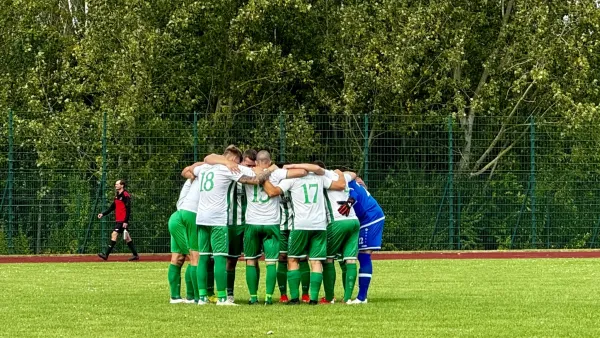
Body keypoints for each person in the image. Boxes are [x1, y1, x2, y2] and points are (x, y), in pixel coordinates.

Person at [194, 145, 273, 306]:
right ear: (231, 160)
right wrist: (272, 168)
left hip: (201, 218)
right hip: (218, 219)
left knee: (203, 257)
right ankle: (223, 298)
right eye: (237, 162)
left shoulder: (205, 169)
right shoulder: (227, 169)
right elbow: (256, 178)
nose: (237, 165)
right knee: (220, 257)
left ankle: (202, 297)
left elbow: (197, 165)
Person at [263, 163, 346, 305]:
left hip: (301, 224)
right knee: (316, 261)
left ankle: (295, 298)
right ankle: (313, 299)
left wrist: (262, 178)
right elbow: (339, 185)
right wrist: (341, 173)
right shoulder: (319, 178)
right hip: (320, 225)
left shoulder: (292, 179)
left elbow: (273, 192)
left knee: (293, 259)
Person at [240, 150, 307, 305]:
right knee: (271, 261)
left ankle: (253, 297)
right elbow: (302, 172)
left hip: (252, 222)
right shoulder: (277, 174)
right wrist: (272, 169)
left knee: (250, 260)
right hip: (271, 222)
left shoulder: (247, 171)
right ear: (269, 161)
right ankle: (269, 297)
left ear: (256, 162)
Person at [314, 161, 360, 304]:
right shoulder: (340, 176)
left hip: (337, 221)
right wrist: (340, 172)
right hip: (353, 220)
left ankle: (329, 298)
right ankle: (347, 299)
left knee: (328, 258)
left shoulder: (322, 179)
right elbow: (353, 174)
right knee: (350, 259)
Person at [338, 173, 385, 304]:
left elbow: (355, 197)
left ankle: (361, 297)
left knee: (364, 255)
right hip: (370, 218)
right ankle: (360, 296)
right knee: (361, 255)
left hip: (370, 219)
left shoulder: (347, 184)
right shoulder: (350, 181)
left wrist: (348, 206)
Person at [97, 179, 139, 261]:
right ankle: (135, 255)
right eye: (115, 184)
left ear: (122, 185)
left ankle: (106, 254)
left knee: (114, 234)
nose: (115, 185)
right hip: (119, 220)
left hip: (122, 221)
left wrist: (125, 221)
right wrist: (103, 214)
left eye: (117, 184)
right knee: (127, 238)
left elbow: (128, 209)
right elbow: (112, 207)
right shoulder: (117, 196)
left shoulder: (126, 195)